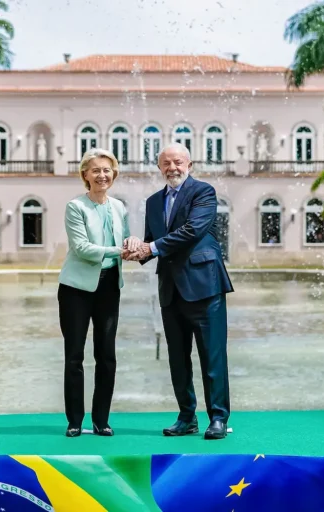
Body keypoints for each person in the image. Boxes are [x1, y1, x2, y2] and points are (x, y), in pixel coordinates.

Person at [124, 142, 234, 440]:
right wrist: (134, 251)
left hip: (205, 286)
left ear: (189, 165)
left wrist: (151, 248)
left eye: (178, 162)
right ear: (159, 167)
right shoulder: (152, 202)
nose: (172, 168)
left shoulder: (203, 192)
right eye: (166, 163)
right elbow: (151, 241)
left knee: (212, 356)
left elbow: (193, 230)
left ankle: (218, 417)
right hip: (170, 289)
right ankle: (187, 417)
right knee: (177, 358)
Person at [58, 148, 138, 438]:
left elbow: (125, 239)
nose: (102, 175)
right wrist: (120, 250)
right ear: (85, 175)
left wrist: (133, 242)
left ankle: (101, 420)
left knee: (106, 355)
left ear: (113, 174)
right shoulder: (75, 207)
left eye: (107, 170)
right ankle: (75, 421)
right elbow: (82, 248)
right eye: (96, 170)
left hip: (109, 287)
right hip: (76, 289)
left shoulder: (119, 207)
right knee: (74, 356)